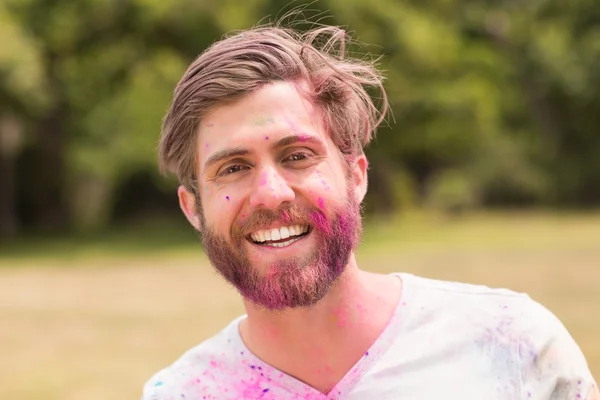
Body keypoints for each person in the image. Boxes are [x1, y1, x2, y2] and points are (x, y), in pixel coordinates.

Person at [142, 22, 598, 400]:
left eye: (297, 155)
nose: (271, 193)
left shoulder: (512, 345)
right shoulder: (180, 393)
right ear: (193, 209)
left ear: (356, 175)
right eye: (234, 167)